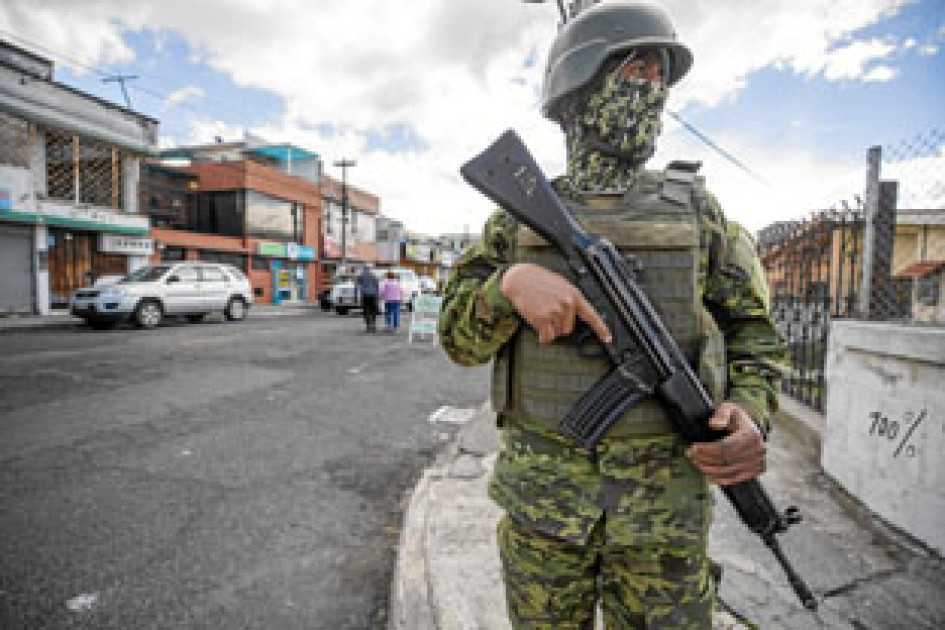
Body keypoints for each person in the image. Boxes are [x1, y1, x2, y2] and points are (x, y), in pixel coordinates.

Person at [439, 2, 788, 628]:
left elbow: (753, 335)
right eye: (635, 69)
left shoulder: (698, 213)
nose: (652, 88)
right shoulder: (515, 219)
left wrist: (751, 411)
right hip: (545, 515)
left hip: (664, 520)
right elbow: (457, 340)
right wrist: (509, 285)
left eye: (661, 76)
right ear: (576, 88)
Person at [355, 265, 379, 332]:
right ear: (369, 269)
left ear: (364, 269)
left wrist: (356, 295)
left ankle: (368, 324)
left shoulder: (361, 276)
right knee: (373, 309)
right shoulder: (374, 275)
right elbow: (377, 285)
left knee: (366, 309)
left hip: (365, 294)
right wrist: (377, 294)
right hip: (373, 294)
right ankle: (373, 323)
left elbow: (357, 285)